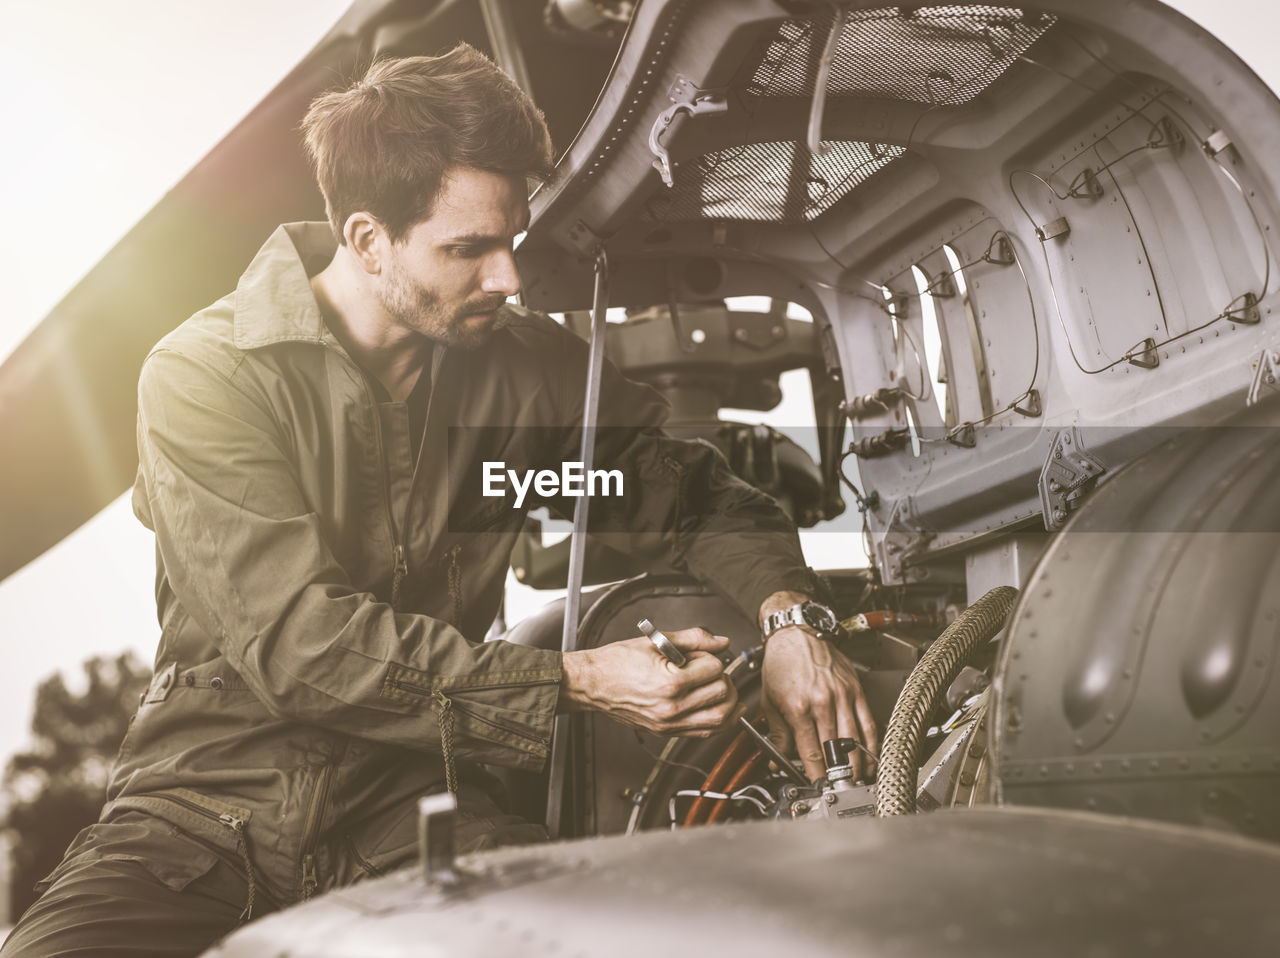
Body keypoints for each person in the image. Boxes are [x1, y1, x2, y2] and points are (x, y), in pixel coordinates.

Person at [1, 45, 875, 957]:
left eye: (513, 240)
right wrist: (582, 680)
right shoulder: (205, 378)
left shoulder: (528, 377)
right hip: (203, 812)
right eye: (469, 250)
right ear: (369, 241)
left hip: (418, 810)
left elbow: (689, 497)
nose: (509, 279)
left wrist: (789, 621)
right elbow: (303, 645)